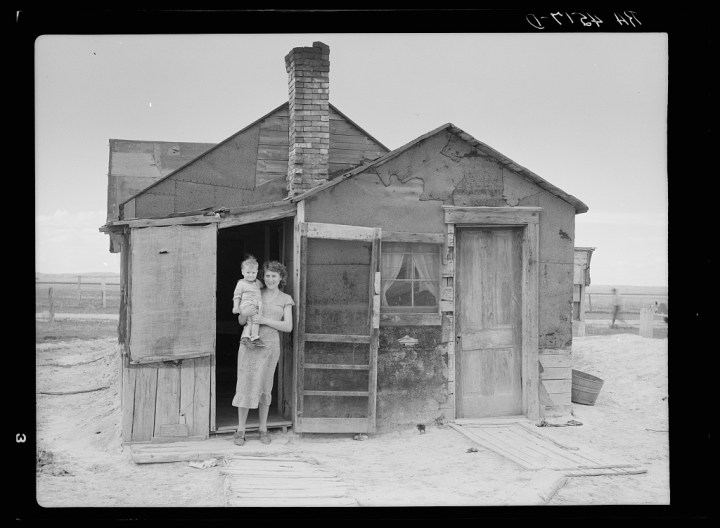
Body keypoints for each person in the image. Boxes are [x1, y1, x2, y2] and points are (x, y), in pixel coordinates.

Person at [232, 260, 294, 446]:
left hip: (269, 347)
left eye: (274, 276)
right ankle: (241, 430)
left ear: (281, 278)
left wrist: (264, 319)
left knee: (265, 385)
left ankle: (263, 428)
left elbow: (288, 326)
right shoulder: (254, 290)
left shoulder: (286, 299)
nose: (270, 279)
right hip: (249, 343)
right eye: (267, 275)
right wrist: (244, 313)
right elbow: (242, 321)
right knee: (245, 383)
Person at [232, 256, 266, 348]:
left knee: (252, 322)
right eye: (248, 272)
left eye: (253, 273)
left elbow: (263, 286)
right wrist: (236, 307)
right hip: (247, 306)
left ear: (257, 272)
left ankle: (247, 337)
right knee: (254, 321)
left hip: (256, 306)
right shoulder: (241, 283)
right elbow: (237, 296)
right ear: (242, 272)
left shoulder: (257, 282)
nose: (250, 275)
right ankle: (254, 337)